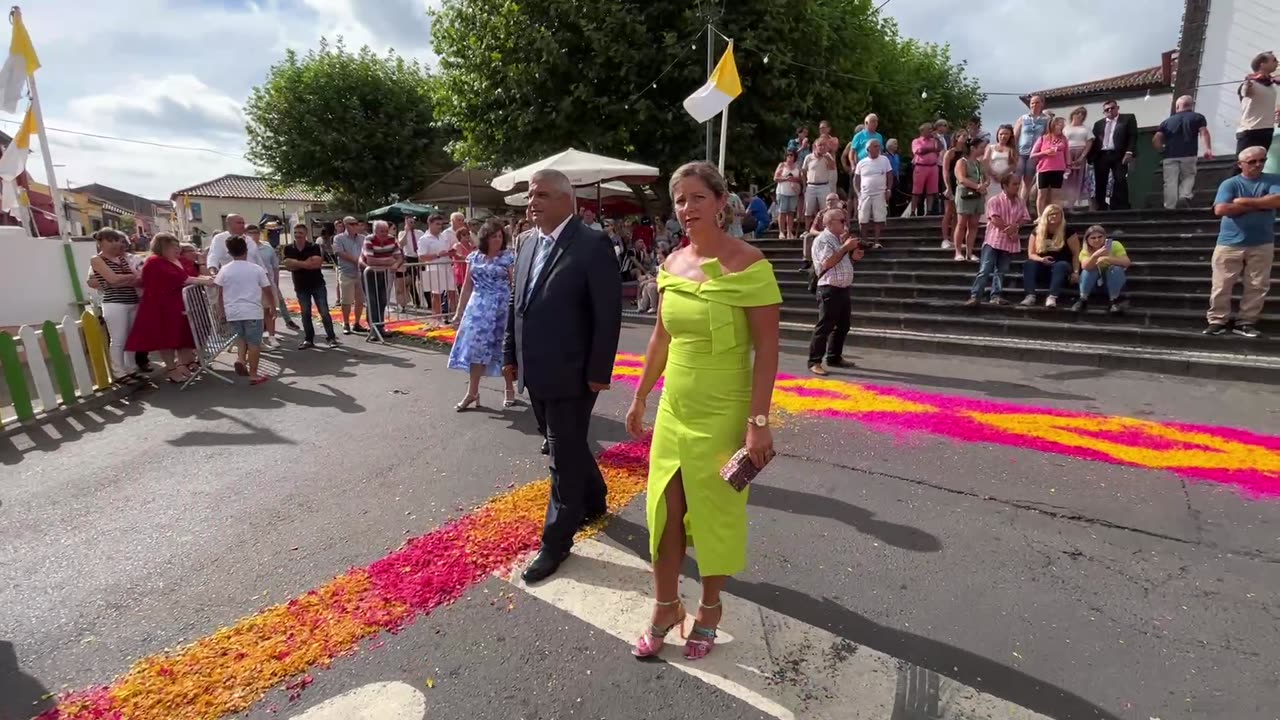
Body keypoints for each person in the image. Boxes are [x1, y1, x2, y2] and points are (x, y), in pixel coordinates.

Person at [624, 161, 780, 662]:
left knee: (715, 514)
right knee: (663, 515)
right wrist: (641, 395)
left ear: (720, 202)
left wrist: (757, 424)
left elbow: (768, 352)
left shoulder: (751, 265)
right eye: (678, 200)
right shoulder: (670, 265)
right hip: (675, 406)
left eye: (695, 198)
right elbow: (660, 338)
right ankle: (666, 606)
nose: (685, 209)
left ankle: (710, 608)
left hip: (726, 411)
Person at [502, 168, 622, 583]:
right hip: (535, 368)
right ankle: (595, 497)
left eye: (542, 195)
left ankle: (555, 542)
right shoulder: (527, 243)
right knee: (563, 443)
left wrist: (598, 371)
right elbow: (517, 302)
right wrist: (509, 353)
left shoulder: (592, 243)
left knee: (560, 454)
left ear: (568, 200)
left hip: (574, 372)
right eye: (530, 195)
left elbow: (607, 314)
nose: (532, 202)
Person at [1204, 146, 1279, 337]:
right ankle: (1217, 320)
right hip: (1229, 242)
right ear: (1240, 164)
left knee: (1257, 284)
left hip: (1262, 241)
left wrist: (1242, 202)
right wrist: (1261, 204)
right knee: (1222, 283)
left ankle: (1246, 321)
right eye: (1252, 161)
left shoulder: (1273, 180)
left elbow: (1277, 201)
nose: (1258, 164)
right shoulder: (1229, 184)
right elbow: (1220, 209)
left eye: (1261, 160)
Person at [449, 220, 518, 410]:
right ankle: (472, 393)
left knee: (503, 349)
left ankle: (509, 388)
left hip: (501, 309)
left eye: (500, 236)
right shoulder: (474, 257)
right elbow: (467, 286)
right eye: (493, 236)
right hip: (477, 309)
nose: (497, 239)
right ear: (484, 237)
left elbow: (514, 285)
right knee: (474, 349)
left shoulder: (508, 257)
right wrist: (458, 312)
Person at [125, 233, 211, 383]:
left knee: (181, 337)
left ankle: (182, 365)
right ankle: (171, 369)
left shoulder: (173, 261)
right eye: (173, 246)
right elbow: (182, 279)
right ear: (163, 247)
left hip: (176, 306)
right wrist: (207, 282)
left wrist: (206, 279)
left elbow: (189, 275)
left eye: (177, 246)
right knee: (166, 339)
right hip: (161, 307)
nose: (177, 249)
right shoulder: (155, 262)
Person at [807, 207, 861, 375]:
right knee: (825, 326)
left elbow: (842, 263)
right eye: (842, 221)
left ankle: (834, 356)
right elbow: (827, 263)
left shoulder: (838, 240)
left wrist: (853, 257)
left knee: (843, 325)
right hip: (829, 288)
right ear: (830, 223)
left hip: (843, 288)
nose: (845, 224)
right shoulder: (823, 240)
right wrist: (845, 248)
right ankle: (814, 361)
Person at [215, 235, 272, 385]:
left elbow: (219, 293)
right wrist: (272, 306)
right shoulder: (256, 269)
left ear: (229, 252)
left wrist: (221, 311)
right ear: (246, 250)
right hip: (252, 310)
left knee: (240, 338)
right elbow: (267, 289)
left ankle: (241, 359)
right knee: (254, 343)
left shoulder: (225, 270)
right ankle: (253, 374)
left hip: (232, 311)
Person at [967, 175, 1031, 306]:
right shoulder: (994, 200)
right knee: (985, 269)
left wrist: (1016, 226)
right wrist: (1010, 230)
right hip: (994, 240)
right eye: (1014, 184)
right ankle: (976, 295)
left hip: (1009, 243)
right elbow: (995, 219)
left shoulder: (1020, 202)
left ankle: (996, 295)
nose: (1017, 187)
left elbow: (1025, 217)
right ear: (1005, 186)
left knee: (1001, 271)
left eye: (1018, 184)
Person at [88, 228, 142, 377]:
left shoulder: (123, 259)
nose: (114, 244)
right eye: (110, 240)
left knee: (131, 337)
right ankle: (119, 372)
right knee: (118, 338)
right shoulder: (97, 260)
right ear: (100, 243)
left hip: (132, 300)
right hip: (114, 302)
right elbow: (112, 280)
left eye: (116, 240)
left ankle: (131, 368)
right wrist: (124, 279)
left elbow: (137, 277)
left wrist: (120, 280)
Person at [283, 223, 338, 349]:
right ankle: (308, 339)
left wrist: (296, 264)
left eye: (300, 233)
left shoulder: (314, 246)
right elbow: (287, 264)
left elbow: (317, 263)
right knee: (305, 313)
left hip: (317, 284)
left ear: (305, 234)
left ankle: (331, 338)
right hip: (301, 286)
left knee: (324, 311)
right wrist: (306, 263)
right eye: (295, 233)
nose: (297, 235)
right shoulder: (289, 248)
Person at [1155, 95, 1213, 209]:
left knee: (1170, 181)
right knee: (1188, 176)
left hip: (1170, 155)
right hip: (1189, 154)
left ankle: (1169, 206)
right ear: (1191, 105)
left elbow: (1156, 138)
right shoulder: (1198, 117)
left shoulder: (1166, 122)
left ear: (1177, 106)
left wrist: (1161, 149)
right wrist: (1208, 149)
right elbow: (1204, 132)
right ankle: (1184, 196)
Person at [1020, 204, 1080, 308]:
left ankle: (1052, 296)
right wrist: (1041, 259)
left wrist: (1076, 272)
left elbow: (1076, 253)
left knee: (1060, 265)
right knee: (1028, 264)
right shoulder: (1037, 231)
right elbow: (1031, 254)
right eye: (1051, 214)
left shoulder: (1068, 231)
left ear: (1062, 216)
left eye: (1057, 214)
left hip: (1062, 267)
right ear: (1045, 216)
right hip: (1043, 265)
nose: (1054, 216)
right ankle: (1030, 295)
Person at [1091, 99, 1138, 210]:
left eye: (1112, 108)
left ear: (1117, 108)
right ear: (1104, 112)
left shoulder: (1128, 118)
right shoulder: (1098, 124)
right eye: (1107, 109)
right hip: (1102, 155)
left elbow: (1133, 136)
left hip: (1119, 154)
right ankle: (1101, 206)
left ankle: (1122, 207)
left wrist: (1129, 152)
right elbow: (1094, 141)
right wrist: (1091, 157)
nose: (1110, 110)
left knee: (1120, 179)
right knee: (1101, 181)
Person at [1072, 224, 1131, 314]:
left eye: (1100, 237)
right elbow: (1085, 266)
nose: (1097, 240)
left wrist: (1109, 259)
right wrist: (1095, 256)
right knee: (1090, 269)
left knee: (1115, 269)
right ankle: (1083, 299)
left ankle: (1113, 302)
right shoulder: (1085, 250)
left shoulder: (1114, 245)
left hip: (1114, 283)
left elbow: (1126, 262)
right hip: (1093, 285)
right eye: (1093, 238)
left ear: (1105, 237)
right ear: (1087, 240)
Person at [361, 220, 403, 341]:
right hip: (368, 273)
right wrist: (388, 261)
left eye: (385, 231)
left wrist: (395, 264)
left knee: (383, 300)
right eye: (381, 231)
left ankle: (380, 327)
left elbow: (399, 257)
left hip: (383, 273)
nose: (384, 233)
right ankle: (374, 330)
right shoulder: (369, 239)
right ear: (375, 231)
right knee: (372, 300)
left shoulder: (391, 239)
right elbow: (370, 260)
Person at [1235, 51, 1278, 165]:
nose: (1277, 62)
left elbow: (1273, 81)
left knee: (1259, 166)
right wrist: (1247, 82)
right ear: (1262, 64)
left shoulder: (1271, 83)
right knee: (1242, 167)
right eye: (1273, 60)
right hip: (1250, 130)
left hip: (1267, 129)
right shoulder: (1251, 83)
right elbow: (1244, 92)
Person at [953, 137, 990, 262]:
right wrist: (977, 186)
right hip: (965, 194)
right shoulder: (962, 161)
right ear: (973, 148)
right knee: (961, 223)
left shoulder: (980, 163)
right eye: (981, 147)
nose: (983, 149)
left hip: (978, 195)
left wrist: (985, 184)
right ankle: (958, 251)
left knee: (973, 225)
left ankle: (969, 252)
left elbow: (986, 178)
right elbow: (962, 178)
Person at [416, 214, 458, 324]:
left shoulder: (444, 236)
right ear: (429, 224)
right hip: (434, 268)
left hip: (447, 266)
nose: (439, 226)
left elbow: (448, 250)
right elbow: (422, 256)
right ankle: (437, 319)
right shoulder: (424, 239)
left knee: (452, 292)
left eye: (441, 224)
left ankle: (453, 318)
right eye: (437, 224)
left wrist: (451, 252)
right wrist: (437, 255)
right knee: (437, 295)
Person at [247, 225, 284, 349]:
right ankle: (258, 338)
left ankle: (272, 336)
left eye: (255, 232)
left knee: (269, 311)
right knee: (257, 313)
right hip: (252, 286)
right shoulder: (245, 248)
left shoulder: (267, 248)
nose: (253, 235)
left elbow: (275, 267)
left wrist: (276, 284)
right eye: (250, 232)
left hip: (267, 283)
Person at [1014, 95, 1051, 208]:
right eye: (1032, 103)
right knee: (1015, 179)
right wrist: (1013, 151)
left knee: (1027, 182)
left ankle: (1022, 207)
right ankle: (1011, 205)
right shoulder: (1023, 118)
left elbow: (1047, 136)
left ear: (1042, 104)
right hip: (1021, 153)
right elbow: (1015, 135)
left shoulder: (1046, 119)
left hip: (1034, 155)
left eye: (1037, 102)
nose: (1034, 105)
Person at [854, 138, 893, 249]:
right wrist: (858, 193)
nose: (878, 148)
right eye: (875, 146)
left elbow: (890, 175)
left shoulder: (884, 160)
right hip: (865, 194)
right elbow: (856, 179)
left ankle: (877, 241)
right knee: (863, 219)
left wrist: (889, 189)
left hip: (880, 193)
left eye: (878, 146)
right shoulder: (861, 162)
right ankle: (864, 241)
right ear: (868, 149)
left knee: (879, 218)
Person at [1030, 116, 1070, 216]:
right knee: (1042, 194)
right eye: (1059, 124)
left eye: (1062, 124)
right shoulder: (1043, 138)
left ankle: (1056, 216)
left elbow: (1067, 153)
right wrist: (1045, 152)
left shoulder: (1064, 139)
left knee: (1056, 195)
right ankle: (1040, 217)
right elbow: (1032, 155)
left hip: (1058, 169)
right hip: (1044, 169)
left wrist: (1068, 166)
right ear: (1053, 125)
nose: (1062, 126)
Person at [334, 216, 367, 334]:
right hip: (346, 272)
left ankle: (357, 323)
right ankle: (346, 323)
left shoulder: (363, 238)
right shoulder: (339, 238)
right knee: (346, 300)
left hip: (360, 273)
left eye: (356, 223)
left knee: (360, 300)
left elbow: (366, 252)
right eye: (352, 224)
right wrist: (358, 261)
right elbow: (341, 253)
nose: (355, 226)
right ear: (346, 225)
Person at [801, 136, 837, 243]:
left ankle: (825, 229)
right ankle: (807, 230)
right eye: (820, 145)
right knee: (808, 209)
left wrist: (827, 157)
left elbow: (832, 167)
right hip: (811, 185)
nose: (821, 147)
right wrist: (804, 185)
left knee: (825, 209)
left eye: (824, 145)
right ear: (815, 146)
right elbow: (803, 171)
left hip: (823, 185)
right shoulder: (808, 157)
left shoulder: (828, 157)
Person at [941, 129, 971, 251]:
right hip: (950, 183)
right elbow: (945, 170)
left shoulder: (966, 153)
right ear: (956, 137)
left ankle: (955, 239)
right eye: (962, 135)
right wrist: (947, 186)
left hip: (961, 184)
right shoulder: (950, 152)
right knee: (948, 212)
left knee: (957, 213)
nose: (964, 138)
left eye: (966, 136)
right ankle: (945, 239)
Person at [1063, 108, 1095, 209]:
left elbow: (1089, 142)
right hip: (1068, 154)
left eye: (1082, 114)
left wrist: (1082, 156)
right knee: (1068, 179)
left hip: (1080, 154)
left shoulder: (1086, 128)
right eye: (1078, 113)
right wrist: (1067, 157)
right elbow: (1063, 142)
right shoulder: (1065, 128)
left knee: (1079, 178)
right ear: (1073, 114)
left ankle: (1075, 202)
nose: (1080, 115)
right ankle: (1067, 202)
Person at [909, 122, 942, 217]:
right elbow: (919, 151)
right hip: (921, 166)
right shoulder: (916, 141)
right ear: (922, 131)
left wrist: (937, 139)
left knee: (931, 191)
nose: (930, 131)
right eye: (928, 129)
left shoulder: (933, 140)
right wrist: (932, 149)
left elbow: (939, 149)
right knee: (916, 191)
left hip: (933, 167)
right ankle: (912, 211)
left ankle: (929, 211)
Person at [984, 123, 1018, 202]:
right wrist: (993, 174)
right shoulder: (990, 147)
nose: (1003, 136)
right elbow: (985, 161)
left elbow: (1014, 164)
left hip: (1006, 179)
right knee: (991, 199)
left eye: (1006, 134)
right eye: (1001, 134)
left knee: (1005, 200)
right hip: (992, 178)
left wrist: (1002, 175)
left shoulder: (1012, 149)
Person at [773, 149, 803, 240]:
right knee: (782, 212)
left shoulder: (797, 166)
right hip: (782, 192)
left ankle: (790, 232)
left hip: (793, 192)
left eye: (792, 155)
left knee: (791, 212)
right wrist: (786, 178)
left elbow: (801, 179)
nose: (790, 157)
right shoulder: (782, 165)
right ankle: (781, 232)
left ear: (794, 157)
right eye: (788, 155)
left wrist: (795, 179)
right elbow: (775, 178)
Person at [397, 216, 424, 309]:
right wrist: (407, 231)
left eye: (413, 222)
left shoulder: (419, 233)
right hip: (409, 258)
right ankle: (417, 301)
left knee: (424, 280)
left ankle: (429, 301)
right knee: (411, 281)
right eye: (409, 222)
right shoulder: (402, 233)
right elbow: (401, 244)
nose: (412, 224)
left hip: (419, 257)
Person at [451, 223, 476, 292]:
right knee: (463, 291)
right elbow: (459, 256)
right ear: (459, 236)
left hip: (471, 271)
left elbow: (476, 253)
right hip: (461, 272)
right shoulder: (457, 245)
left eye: (468, 234)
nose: (467, 236)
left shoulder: (470, 245)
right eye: (464, 235)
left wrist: (472, 242)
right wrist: (470, 258)